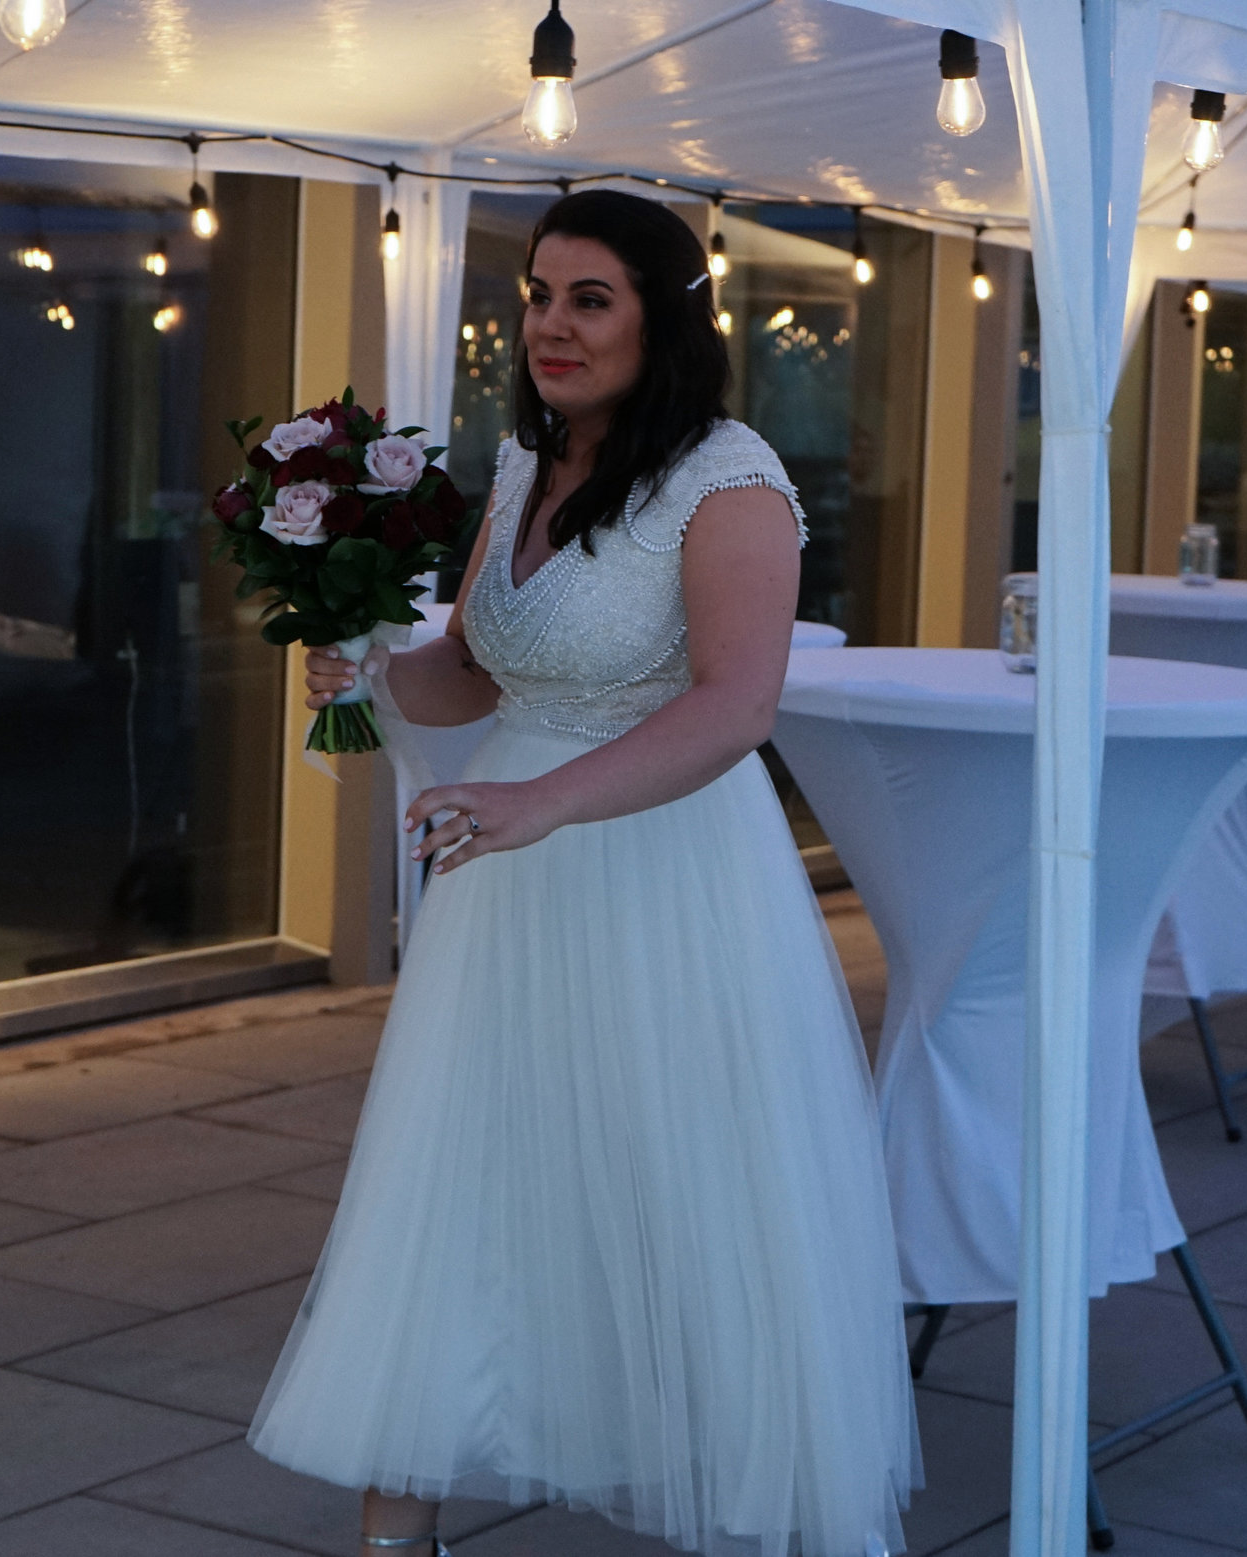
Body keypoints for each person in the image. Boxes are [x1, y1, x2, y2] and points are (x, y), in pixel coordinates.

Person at [246, 190, 918, 1557]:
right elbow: (474, 670)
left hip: (669, 882)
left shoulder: (731, 481)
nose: (551, 325)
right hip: (509, 885)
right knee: (463, 1191)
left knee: (688, 1203)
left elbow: (737, 707)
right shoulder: (525, 463)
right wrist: (367, 665)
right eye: (538, 296)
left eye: (590, 299)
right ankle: (397, 1532)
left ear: (663, 319)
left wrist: (541, 801)